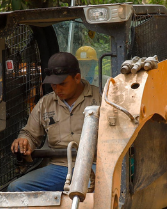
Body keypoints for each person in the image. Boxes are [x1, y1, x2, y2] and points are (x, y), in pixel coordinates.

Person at [7, 51, 101, 192]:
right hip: (58, 167)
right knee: (17, 188)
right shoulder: (46, 103)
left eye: (62, 84)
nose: (57, 89)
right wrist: (24, 141)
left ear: (77, 78)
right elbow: (30, 134)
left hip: (93, 165)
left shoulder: (101, 98)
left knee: (92, 193)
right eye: (53, 85)